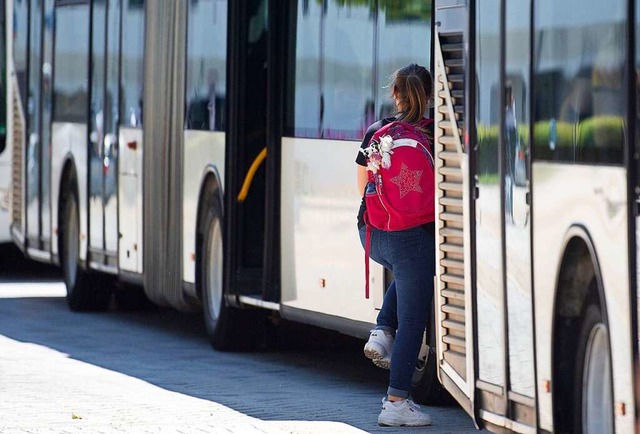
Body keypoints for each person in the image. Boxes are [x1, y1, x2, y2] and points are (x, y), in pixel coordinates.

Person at [355, 63, 435, 427]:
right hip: (411, 237)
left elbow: (362, 186)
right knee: (415, 320)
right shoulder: (434, 135)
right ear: (431, 96)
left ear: (395, 94)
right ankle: (396, 401)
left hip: (372, 234)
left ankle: (383, 329)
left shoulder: (376, 131)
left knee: (407, 274)